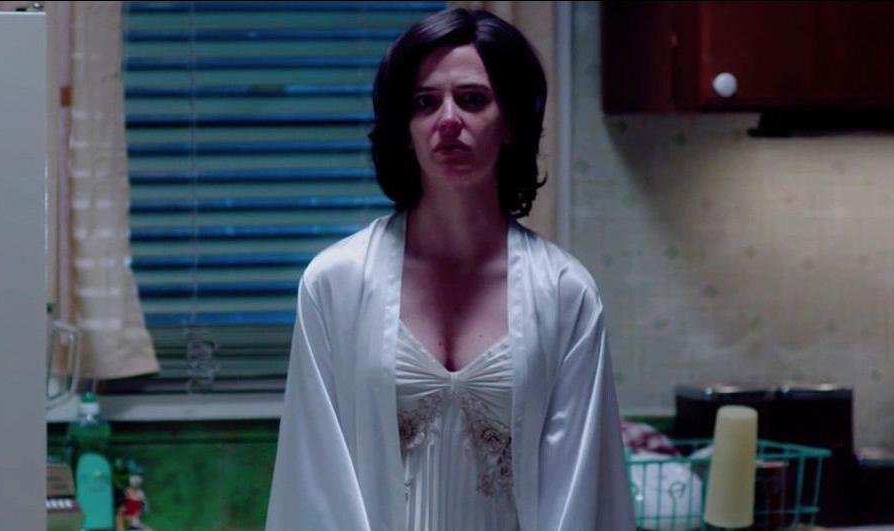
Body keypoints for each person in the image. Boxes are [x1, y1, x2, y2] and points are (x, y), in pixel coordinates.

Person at [266, 8, 634, 531]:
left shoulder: (565, 293)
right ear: (405, 129)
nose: (448, 121)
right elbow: (315, 482)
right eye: (425, 102)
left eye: (473, 99)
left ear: (511, 124)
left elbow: (578, 491)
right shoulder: (335, 283)